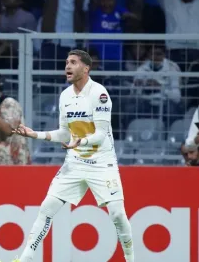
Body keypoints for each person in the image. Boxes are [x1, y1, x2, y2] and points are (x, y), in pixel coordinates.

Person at [12, 50, 135, 262]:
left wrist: (81, 141)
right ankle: (25, 258)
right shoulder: (65, 96)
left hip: (101, 163)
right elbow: (64, 133)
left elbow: (101, 134)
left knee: (117, 214)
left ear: (86, 68)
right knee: (46, 207)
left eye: (73, 62)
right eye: (66, 62)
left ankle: (130, 258)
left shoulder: (100, 94)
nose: (67, 66)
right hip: (75, 162)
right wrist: (35, 134)